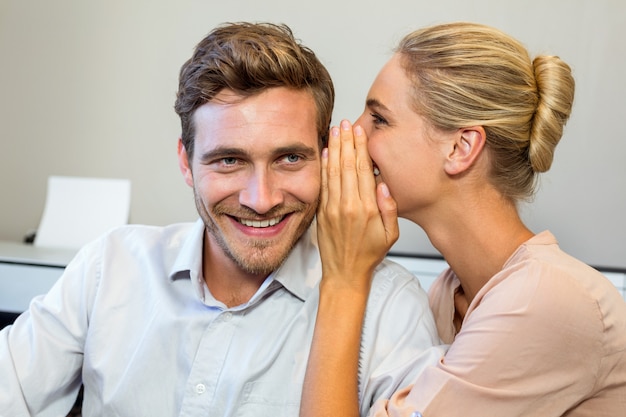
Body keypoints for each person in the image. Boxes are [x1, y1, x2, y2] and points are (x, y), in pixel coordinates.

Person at [0, 22, 443, 417]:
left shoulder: (388, 302)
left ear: (325, 159)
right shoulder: (108, 268)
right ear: (186, 162)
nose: (262, 199)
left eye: (290, 158)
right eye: (229, 160)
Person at [301, 22, 626, 417]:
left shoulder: (543, 299)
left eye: (380, 119)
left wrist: (345, 278)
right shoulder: (447, 293)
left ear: (461, 147)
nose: (350, 134)